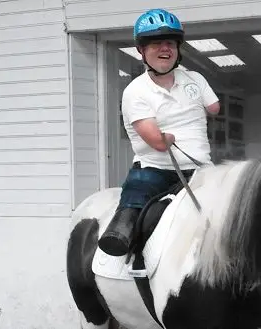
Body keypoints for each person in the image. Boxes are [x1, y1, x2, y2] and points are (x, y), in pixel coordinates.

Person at [98, 8, 221, 257]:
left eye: (170, 43)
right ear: (141, 51)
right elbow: (158, 141)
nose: (165, 48)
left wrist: (194, 98)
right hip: (153, 170)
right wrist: (173, 136)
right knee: (132, 205)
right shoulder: (135, 91)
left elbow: (215, 108)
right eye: (156, 43)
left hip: (201, 170)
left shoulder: (194, 78)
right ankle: (128, 257)